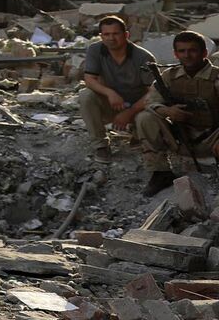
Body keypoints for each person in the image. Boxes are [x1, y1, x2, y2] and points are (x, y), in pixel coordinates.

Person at [132, 31, 218, 194]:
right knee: (144, 118)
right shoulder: (169, 76)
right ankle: (161, 172)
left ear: (204, 53)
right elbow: (151, 102)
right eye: (182, 51)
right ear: (175, 54)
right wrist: (168, 110)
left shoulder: (216, 77)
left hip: (212, 138)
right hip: (181, 138)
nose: (187, 55)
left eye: (193, 50)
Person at [76, 15, 158, 165]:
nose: (111, 38)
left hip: (138, 107)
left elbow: (153, 92)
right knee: (86, 95)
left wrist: (129, 112)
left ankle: (138, 133)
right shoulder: (96, 50)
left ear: (126, 35)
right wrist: (110, 93)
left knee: (153, 110)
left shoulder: (143, 57)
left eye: (116, 34)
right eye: (106, 34)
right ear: (101, 36)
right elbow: (89, 79)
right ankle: (100, 145)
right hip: (112, 104)